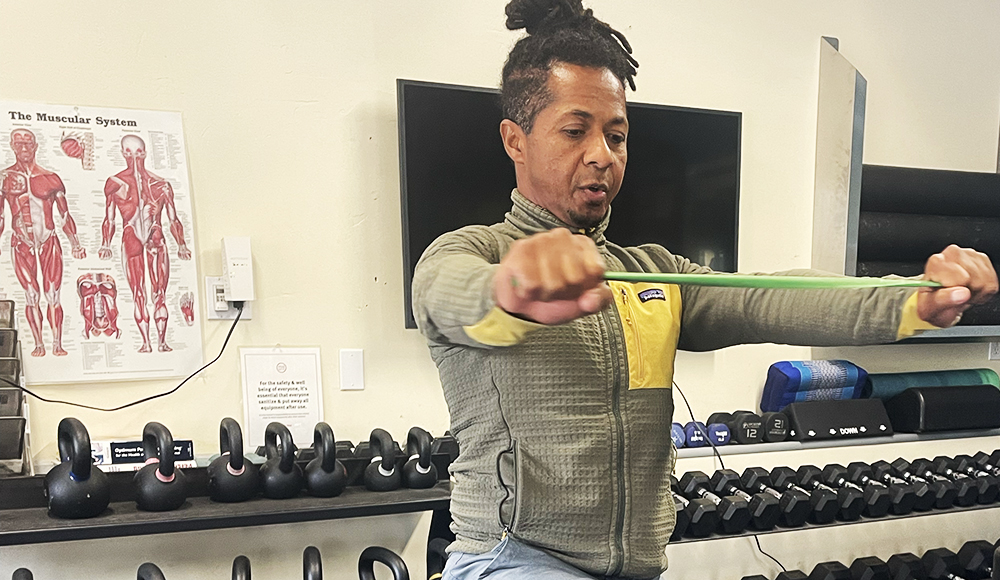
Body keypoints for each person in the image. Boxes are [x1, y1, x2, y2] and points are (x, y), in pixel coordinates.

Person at [411, 2, 999, 579]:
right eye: (574, 131)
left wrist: (913, 299)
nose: (601, 156)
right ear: (515, 140)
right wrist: (516, 288)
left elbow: (766, 298)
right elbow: (451, 297)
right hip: (511, 560)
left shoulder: (649, 273)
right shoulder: (471, 254)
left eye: (617, 137)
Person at [100, 134, 192, 353]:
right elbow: (109, 217)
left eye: (139, 152)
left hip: (156, 238)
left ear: (145, 153)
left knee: (159, 292)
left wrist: (181, 244)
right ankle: (146, 342)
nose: (134, 157)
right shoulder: (115, 183)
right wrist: (105, 243)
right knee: (138, 294)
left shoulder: (161, 185)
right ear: (123, 153)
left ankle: (161, 341)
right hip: (131, 237)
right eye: (129, 152)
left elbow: (173, 219)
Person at [0, 128, 87, 357]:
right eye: (19, 144)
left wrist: (75, 243)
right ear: (12, 146)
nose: (24, 148)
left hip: (49, 239)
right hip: (21, 242)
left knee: (53, 295)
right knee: (31, 295)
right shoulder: (4, 178)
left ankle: (57, 343)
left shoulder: (50, 178)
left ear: (36, 146)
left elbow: (64, 214)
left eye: (28, 143)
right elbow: (0, 215)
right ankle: (38, 344)